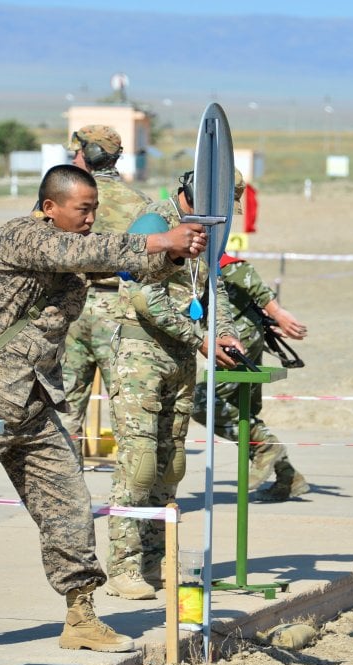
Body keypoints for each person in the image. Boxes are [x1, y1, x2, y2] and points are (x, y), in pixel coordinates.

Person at [0, 164, 207, 661]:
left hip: (36, 404)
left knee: (70, 511)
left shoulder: (75, 243)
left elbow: (123, 266)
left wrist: (176, 254)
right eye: (83, 209)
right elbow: (84, 252)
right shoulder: (20, 236)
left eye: (96, 209)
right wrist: (160, 241)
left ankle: (81, 616)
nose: (91, 218)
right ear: (50, 206)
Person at [105, 170, 245, 600]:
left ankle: (156, 558)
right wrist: (201, 338)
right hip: (141, 358)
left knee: (170, 464)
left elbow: (211, 289)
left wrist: (224, 332)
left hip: (181, 358)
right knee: (139, 461)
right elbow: (147, 299)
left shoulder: (206, 233)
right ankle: (123, 566)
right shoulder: (154, 225)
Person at [191, 251, 311, 501]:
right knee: (238, 409)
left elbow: (247, 277)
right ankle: (287, 476)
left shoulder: (216, 259)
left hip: (237, 340)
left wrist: (278, 313)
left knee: (202, 402)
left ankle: (266, 447)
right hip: (242, 337)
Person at [59, 125, 151, 452]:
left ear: (90, 154)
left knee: (65, 409)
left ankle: (64, 494)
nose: (73, 157)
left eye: (78, 152)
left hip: (71, 308)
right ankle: (129, 495)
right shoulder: (141, 203)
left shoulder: (67, 200)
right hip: (120, 310)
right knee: (127, 408)